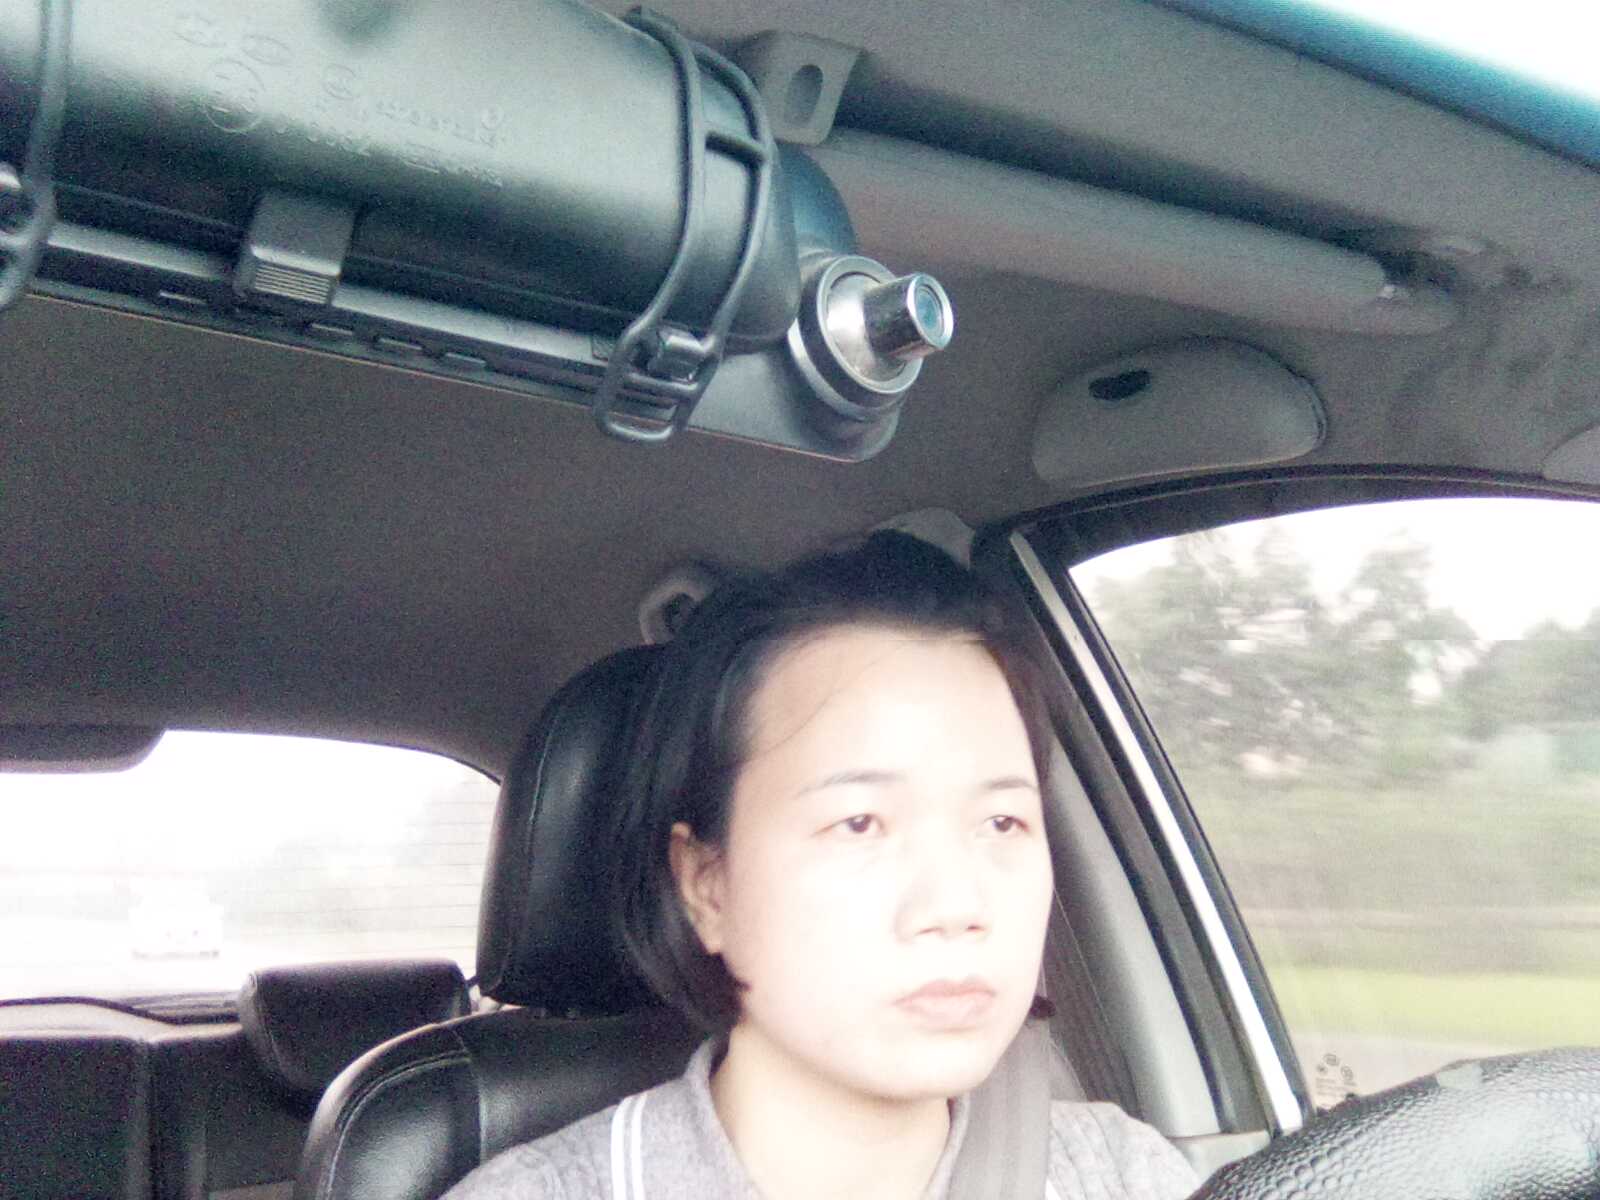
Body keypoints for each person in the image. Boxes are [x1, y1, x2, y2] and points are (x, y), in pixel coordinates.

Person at [444, 531, 1200, 1200]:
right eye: (860, 823)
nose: (957, 904)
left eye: (1002, 822)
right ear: (706, 886)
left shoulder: (1120, 1174)